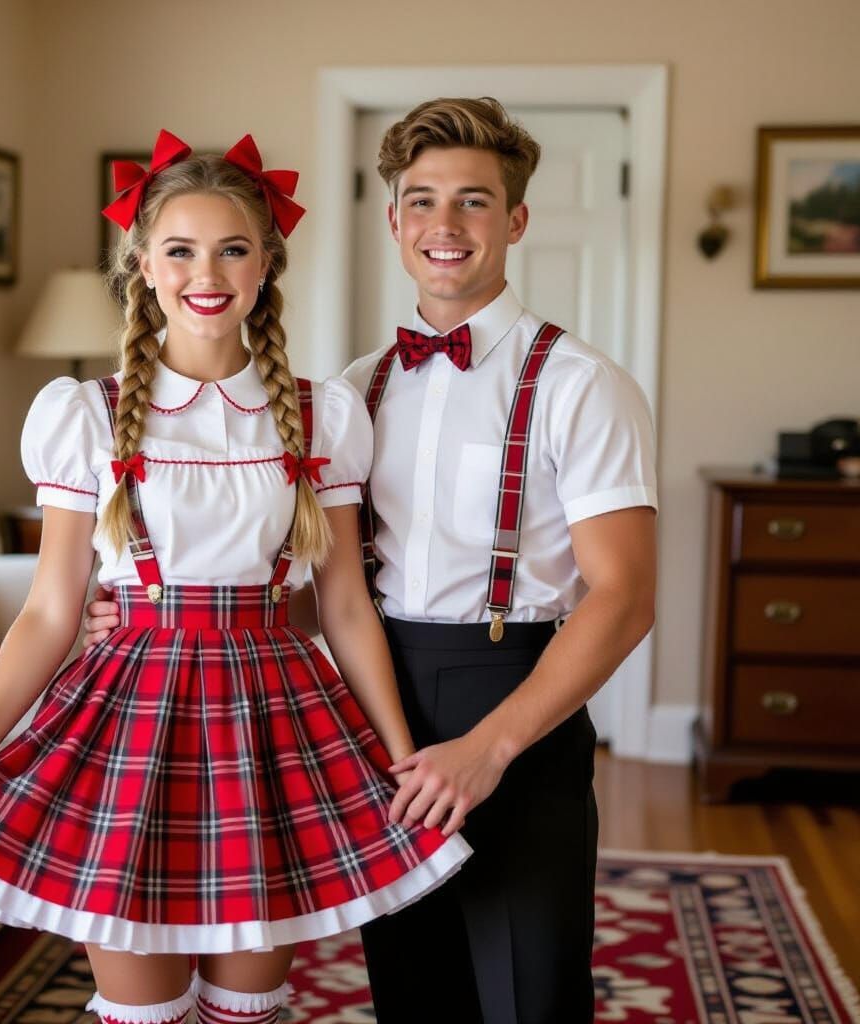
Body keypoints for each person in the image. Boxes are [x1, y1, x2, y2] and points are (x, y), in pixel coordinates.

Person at [85, 97, 659, 1024]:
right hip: (372, 697)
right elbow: (331, 592)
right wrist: (161, 612)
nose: (445, 225)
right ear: (393, 222)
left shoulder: (582, 385)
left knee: (529, 991)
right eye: (422, 200)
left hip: (514, 690)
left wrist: (490, 747)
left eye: (474, 201)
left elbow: (626, 597)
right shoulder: (351, 393)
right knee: (413, 986)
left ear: (515, 220)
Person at [0, 130, 471, 1024]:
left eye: (234, 248)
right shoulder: (84, 415)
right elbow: (50, 610)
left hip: (272, 722)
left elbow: (347, 604)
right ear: (144, 267)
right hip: (125, 719)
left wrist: (395, 755)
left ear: (268, 263)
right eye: (181, 249)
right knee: (145, 1015)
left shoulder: (323, 414)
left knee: (249, 1009)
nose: (209, 272)